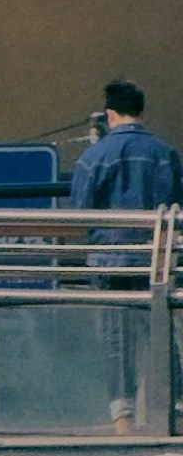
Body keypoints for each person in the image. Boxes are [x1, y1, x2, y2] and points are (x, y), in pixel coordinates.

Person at [69, 81, 182, 427]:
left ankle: (123, 418)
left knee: (117, 338)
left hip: (110, 260)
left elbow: (78, 212)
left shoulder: (94, 156)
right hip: (156, 260)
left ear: (110, 115)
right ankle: (175, 407)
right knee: (161, 334)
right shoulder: (165, 154)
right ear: (141, 112)